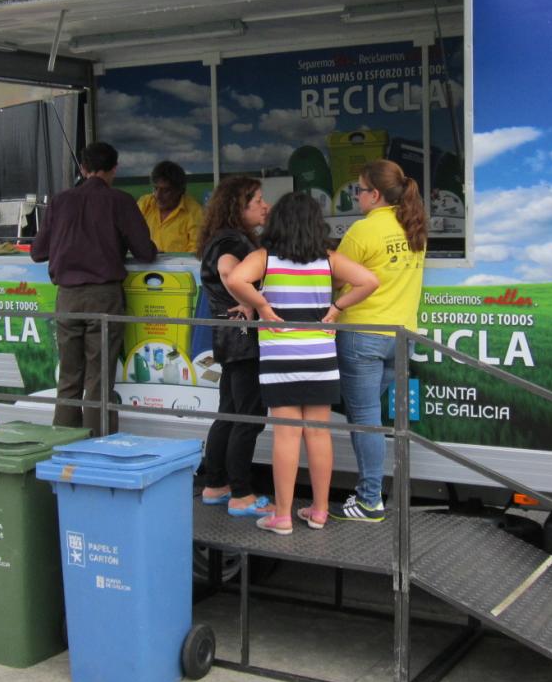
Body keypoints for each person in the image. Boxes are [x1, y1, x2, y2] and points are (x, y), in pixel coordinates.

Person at [225, 192, 378, 534]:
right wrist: (337, 309)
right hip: (320, 357)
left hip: (281, 358)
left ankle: (282, 516)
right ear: (314, 223)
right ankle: (320, 511)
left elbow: (235, 279)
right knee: (319, 435)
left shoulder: (266, 257)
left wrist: (262, 306)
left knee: (286, 436)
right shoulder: (328, 259)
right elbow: (370, 281)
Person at [30, 142, 157, 434]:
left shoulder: (60, 201)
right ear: (115, 169)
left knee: (69, 379)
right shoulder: (120, 201)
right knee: (99, 382)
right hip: (104, 298)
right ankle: (98, 450)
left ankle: (62, 445)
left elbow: (38, 252)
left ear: (82, 169)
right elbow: (145, 253)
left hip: (68, 299)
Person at [329, 159, 427, 523]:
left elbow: (336, 281)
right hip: (401, 338)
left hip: (363, 336)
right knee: (366, 413)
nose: (356, 195)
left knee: (364, 416)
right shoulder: (414, 226)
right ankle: (369, 495)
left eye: (359, 189)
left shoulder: (363, 231)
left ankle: (370, 500)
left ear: (375, 193)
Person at [196, 176, 273, 517]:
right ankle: (241, 493)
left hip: (228, 337)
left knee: (228, 412)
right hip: (244, 339)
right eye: (257, 200)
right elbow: (230, 274)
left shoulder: (219, 238)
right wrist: (256, 305)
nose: (265, 206)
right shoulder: (234, 241)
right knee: (248, 417)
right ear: (238, 207)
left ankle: (216, 485)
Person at [138, 160, 203, 252]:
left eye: (165, 190)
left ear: (179, 190)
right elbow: (129, 236)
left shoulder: (195, 212)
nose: (158, 196)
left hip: (180, 266)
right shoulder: (144, 203)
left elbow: (195, 253)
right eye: (156, 188)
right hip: (141, 265)